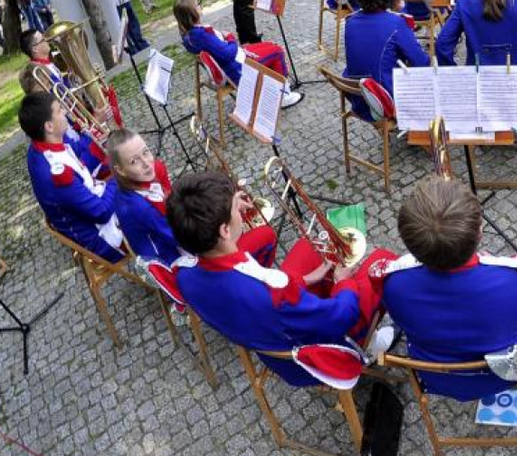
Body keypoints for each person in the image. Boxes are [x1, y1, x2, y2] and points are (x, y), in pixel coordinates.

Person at [167, 171, 396, 387]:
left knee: (309, 245)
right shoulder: (274, 289)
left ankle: (329, 285)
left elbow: (261, 289)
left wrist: (305, 280)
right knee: (384, 261)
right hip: (314, 355)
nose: (241, 211)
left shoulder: (183, 276)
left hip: (265, 329)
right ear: (225, 231)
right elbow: (340, 317)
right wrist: (343, 283)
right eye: (236, 210)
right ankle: (367, 347)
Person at [369, 177, 517, 399]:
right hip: (501, 375)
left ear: (409, 243)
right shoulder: (515, 279)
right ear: (479, 232)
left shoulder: (392, 283)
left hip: (434, 377)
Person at [22, 92, 124, 262]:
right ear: (49, 126)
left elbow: (75, 150)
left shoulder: (41, 146)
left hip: (96, 203)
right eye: (60, 111)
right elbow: (101, 213)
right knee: (148, 191)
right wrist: (118, 176)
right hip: (106, 238)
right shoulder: (57, 175)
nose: (65, 113)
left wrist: (93, 126)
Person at [174, 0, 302, 108]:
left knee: (267, 45)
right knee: (277, 51)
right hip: (236, 68)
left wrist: (223, 40)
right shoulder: (202, 35)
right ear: (192, 13)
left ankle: (273, 89)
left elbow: (218, 50)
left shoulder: (188, 37)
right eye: (198, 5)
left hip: (232, 63)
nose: (200, 6)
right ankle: (283, 97)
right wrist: (230, 38)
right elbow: (228, 54)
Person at [343, 0, 430, 121]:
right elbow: (421, 62)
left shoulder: (350, 21)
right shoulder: (396, 23)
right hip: (384, 101)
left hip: (358, 98)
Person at [106, 128, 180, 265]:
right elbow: (176, 238)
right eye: (134, 161)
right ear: (120, 170)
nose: (146, 163)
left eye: (146, 152)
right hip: (166, 258)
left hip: (165, 231)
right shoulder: (141, 207)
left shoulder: (136, 179)